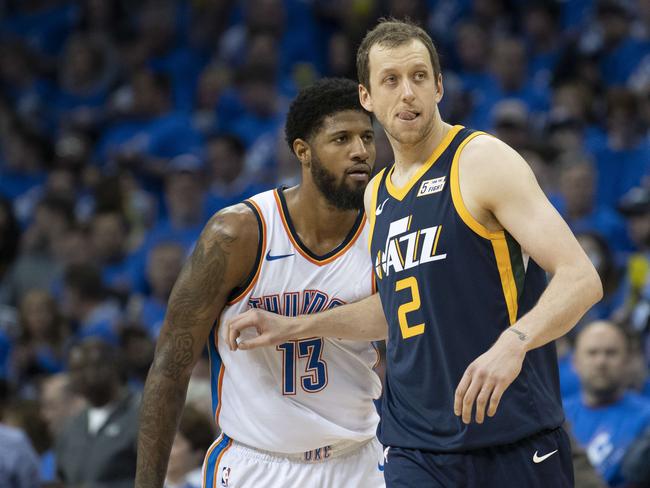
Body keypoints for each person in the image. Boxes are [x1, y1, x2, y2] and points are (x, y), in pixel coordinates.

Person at [228, 19, 603, 487]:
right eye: (391, 80)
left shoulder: (481, 160)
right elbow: (397, 306)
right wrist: (297, 326)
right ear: (367, 97)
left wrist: (515, 342)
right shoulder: (377, 194)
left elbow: (581, 277)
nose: (407, 93)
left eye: (419, 77)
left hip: (512, 438)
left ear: (439, 86)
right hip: (415, 449)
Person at [135, 78, 384, 488]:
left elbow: (408, 319)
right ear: (303, 151)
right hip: (257, 466)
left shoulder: (384, 228)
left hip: (357, 462)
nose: (360, 151)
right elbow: (169, 367)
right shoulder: (238, 234)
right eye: (341, 139)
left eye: (366, 137)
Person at [564, 321, 650, 486]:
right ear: (574, 362)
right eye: (592, 353)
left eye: (611, 353)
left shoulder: (647, 417)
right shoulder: (557, 418)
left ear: (627, 361)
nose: (601, 362)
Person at [55, 339, 140, 488]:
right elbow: (61, 477)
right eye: (74, 370)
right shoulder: (71, 426)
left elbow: (156, 479)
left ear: (113, 367)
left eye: (88, 367)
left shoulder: (139, 416)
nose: (80, 376)